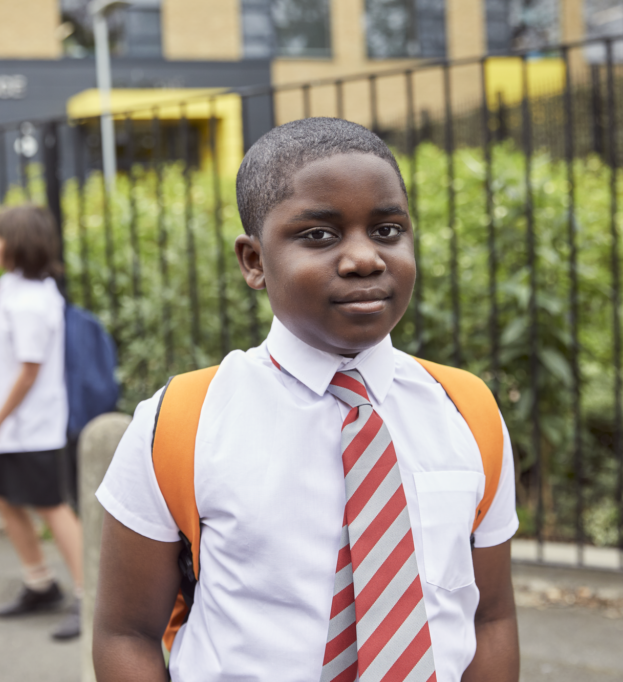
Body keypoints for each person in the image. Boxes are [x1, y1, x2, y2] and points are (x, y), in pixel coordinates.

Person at [93, 118, 519, 681]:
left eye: (388, 230)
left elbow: (489, 618)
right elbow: (126, 633)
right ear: (253, 262)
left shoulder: (467, 410)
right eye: (319, 235)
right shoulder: (182, 422)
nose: (365, 258)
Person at [0, 205, 83, 641]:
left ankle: (89, 597)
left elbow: (30, 372)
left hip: (32, 425)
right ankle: (40, 584)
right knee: (1, 495)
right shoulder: (15, 287)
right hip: (13, 425)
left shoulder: (33, 302)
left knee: (53, 507)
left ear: (16, 243)